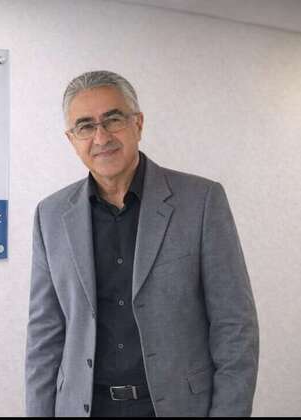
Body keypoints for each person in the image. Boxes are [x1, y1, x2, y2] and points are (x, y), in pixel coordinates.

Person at [25, 71, 259, 417]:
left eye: (113, 119)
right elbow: (44, 335)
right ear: (71, 139)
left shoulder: (201, 201)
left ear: (138, 123)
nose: (101, 137)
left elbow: (234, 326)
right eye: (85, 126)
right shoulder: (51, 215)